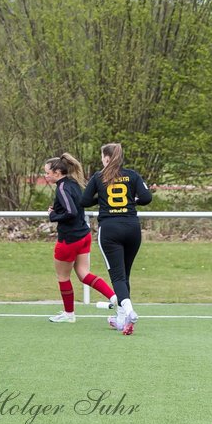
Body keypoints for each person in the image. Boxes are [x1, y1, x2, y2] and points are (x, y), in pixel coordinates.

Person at [80, 143, 153, 334]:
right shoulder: (133, 175)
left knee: (117, 276)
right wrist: (132, 200)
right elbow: (146, 198)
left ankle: (129, 311)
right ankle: (121, 319)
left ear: (106, 158)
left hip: (110, 229)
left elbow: (84, 201)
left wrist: (101, 198)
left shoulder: (98, 176)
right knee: (124, 275)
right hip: (132, 227)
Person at [43, 153, 116, 323]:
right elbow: (75, 205)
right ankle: (114, 297)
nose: (45, 176)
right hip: (84, 235)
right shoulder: (73, 183)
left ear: (57, 173)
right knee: (84, 274)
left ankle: (69, 314)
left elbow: (71, 212)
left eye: (47, 173)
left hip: (69, 239)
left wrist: (53, 215)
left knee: (63, 277)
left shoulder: (62, 187)